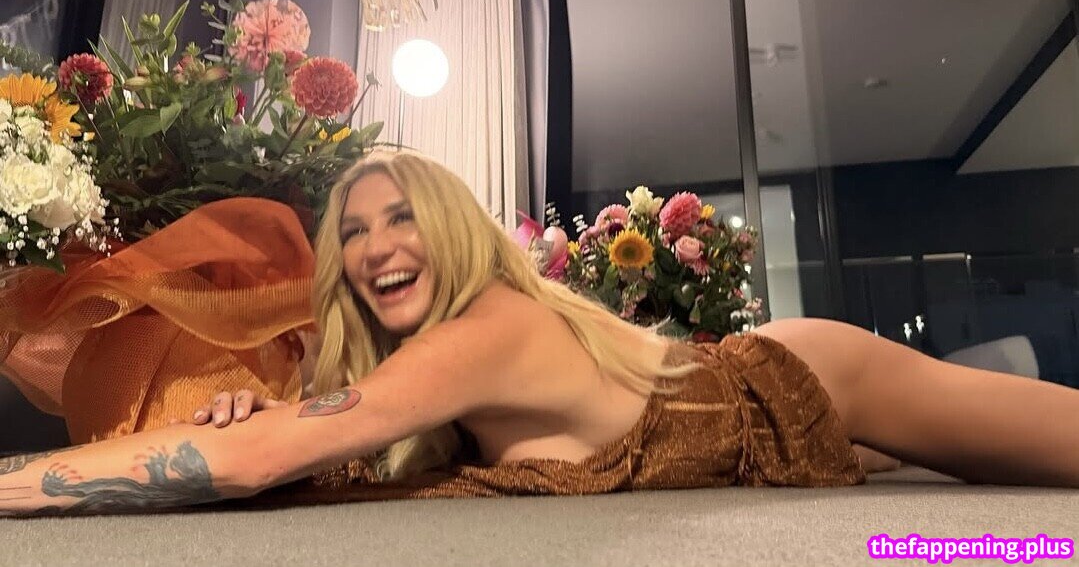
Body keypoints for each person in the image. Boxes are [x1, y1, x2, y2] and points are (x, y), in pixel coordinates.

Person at [2, 151, 1078, 517]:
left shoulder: (490, 325)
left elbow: (254, 458)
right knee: (906, 468)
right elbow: (280, 446)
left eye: (400, 217)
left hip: (794, 380)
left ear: (455, 230)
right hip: (741, 451)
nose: (375, 247)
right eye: (352, 234)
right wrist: (248, 418)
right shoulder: (419, 374)